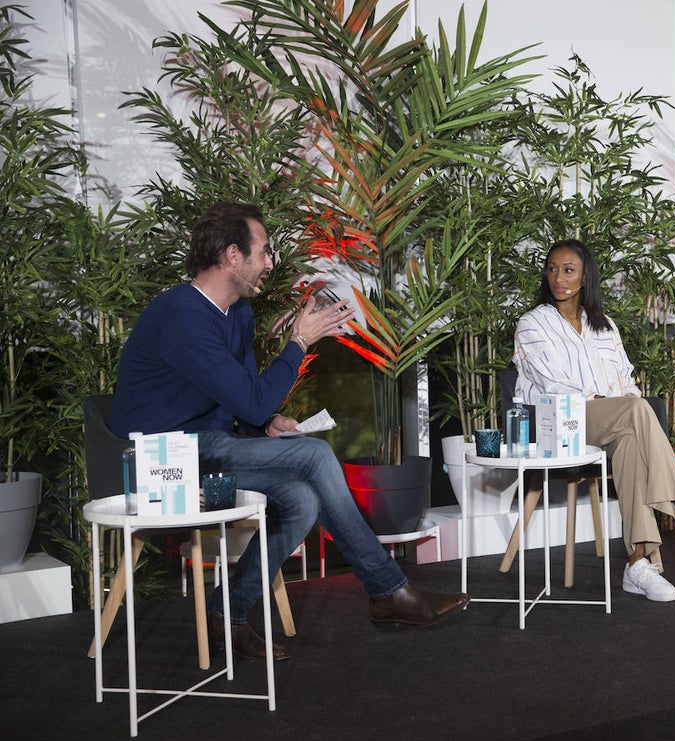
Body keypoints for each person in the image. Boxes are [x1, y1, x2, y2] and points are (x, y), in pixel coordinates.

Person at [111, 202, 469, 661]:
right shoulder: (181, 314)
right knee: (316, 457)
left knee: (300, 501)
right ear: (232, 255)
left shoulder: (236, 314)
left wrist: (265, 423)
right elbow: (253, 396)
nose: (271, 263)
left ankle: (229, 613)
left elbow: (247, 398)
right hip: (157, 460)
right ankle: (386, 590)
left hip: (209, 450)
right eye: (264, 252)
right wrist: (298, 342)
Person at [513, 239, 675, 603]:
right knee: (636, 410)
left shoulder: (604, 326)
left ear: (585, 277)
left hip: (612, 421)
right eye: (551, 269)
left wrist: (621, 402)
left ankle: (638, 563)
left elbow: (626, 379)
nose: (557, 278)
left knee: (630, 434)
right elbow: (554, 385)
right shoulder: (532, 323)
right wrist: (616, 404)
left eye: (567, 270)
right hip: (560, 421)